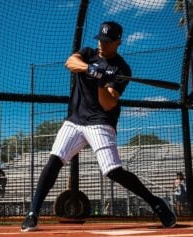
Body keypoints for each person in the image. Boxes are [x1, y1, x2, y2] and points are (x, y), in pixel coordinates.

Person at [21, 21, 176, 231]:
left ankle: (156, 203)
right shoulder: (88, 53)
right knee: (54, 160)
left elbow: (108, 103)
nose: (103, 44)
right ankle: (33, 213)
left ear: (118, 42)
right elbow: (70, 62)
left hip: (100, 122)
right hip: (75, 119)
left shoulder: (121, 68)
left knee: (112, 171)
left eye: (108, 41)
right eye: (101, 40)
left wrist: (102, 82)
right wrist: (91, 69)